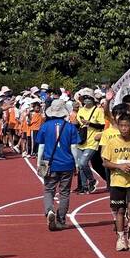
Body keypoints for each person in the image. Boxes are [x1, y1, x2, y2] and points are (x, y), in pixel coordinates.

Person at [36, 99, 79, 231]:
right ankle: (61, 219)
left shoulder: (45, 126)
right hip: (67, 163)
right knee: (64, 192)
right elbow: (74, 147)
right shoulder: (70, 127)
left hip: (49, 163)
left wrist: (39, 163)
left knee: (49, 190)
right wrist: (77, 164)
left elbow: (41, 147)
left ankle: (49, 210)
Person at [101, 113, 130, 251]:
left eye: (127, 126)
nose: (124, 128)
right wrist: (119, 166)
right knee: (120, 209)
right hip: (117, 181)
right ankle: (120, 237)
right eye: (122, 126)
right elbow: (105, 163)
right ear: (118, 127)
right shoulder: (112, 142)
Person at [75, 88, 105, 194]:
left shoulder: (98, 111)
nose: (86, 100)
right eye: (85, 98)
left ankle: (92, 180)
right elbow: (78, 123)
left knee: (83, 163)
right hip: (82, 140)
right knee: (80, 165)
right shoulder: (81, 110)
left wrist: (90, 123)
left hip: (93, 141)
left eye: (89, 98)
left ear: (93, 99)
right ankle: (84, 187)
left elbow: (102, 125)